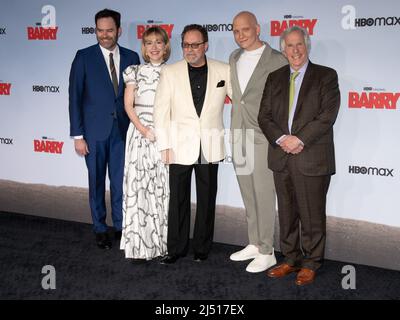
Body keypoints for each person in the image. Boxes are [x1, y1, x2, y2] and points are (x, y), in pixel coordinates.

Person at [258, 26, 340, 285]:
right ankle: (291, 259)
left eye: (299, 45)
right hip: (281, 156)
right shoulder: (275, 77)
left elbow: (327, 115)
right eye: (290, 46)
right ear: (283, 50)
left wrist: (299, 139)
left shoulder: (326, 76)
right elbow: (265, 116)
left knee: (312, 214)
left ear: (307, 46)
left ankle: (312, 262)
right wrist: (283, 140)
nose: (295, 50)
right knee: (287, 212)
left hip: (312, 156)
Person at [153, 24, 230, 264]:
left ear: (205, 45)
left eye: (195, 44)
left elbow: (241, 100)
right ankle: (176, 248)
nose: (190, 49)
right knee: (178, 199)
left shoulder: (224, 69)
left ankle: (202, 248)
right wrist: (164, 144)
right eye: (186, 44)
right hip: (178, 145)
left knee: (207, 199)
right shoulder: (170, 71)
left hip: (210, 144)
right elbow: (160, 111)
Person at [68, 9, 140, 250]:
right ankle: (100, 227)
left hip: (122, 132)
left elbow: (136, 98)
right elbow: (74, 98)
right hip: (94, 133)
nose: (105, 35)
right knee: (96, 182)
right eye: (100, 30)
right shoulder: (83, 57)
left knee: (121, 183)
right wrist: (78, 136)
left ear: (118, 30)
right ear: (95, 30)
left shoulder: (132, 57)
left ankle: (120, 226)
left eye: (109, 30)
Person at [228, 11, 287, 273]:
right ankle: (254, 242)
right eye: (236, 31)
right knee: (248, 192)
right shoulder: (234, 57)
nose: (240, 35)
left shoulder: (276, 60)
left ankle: (267, 250)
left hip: (262, 135)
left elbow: (284, 102)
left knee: (264, 194)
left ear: (257, 29)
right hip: (238, 133)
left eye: (245, 30)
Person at [120, 27, 170, 260]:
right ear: (144, 47)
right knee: (139, 188)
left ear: (165, 45)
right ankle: (139, 245)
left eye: (159, 42)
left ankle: (160, 244)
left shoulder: (173, 72)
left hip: (164, 135)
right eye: (149, 43)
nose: (154, 47)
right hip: (140, 134)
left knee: (161, 189)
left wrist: (163, 133)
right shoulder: (134, 71)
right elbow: (128, 106)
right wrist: (143, 129)